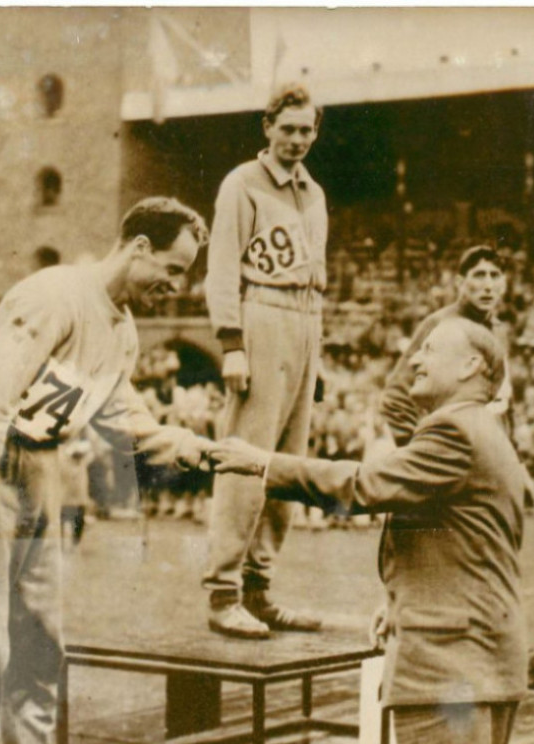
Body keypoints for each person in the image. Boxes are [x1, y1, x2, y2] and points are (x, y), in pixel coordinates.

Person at [212, 317, 528, 744]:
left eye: (430, 350)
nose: (413, 360)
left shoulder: (455, 432)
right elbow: (468, 544)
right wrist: (404, 598)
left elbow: (362, 484)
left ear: (477, 365)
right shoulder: (480, 432)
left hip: (452, 666)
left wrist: (260, 462)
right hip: (473, 655)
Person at [0, 196, 213, 744]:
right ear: (138, 246)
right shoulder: (55, 295)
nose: (175, 286)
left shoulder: (121, 331)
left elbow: (118, 415)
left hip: (42, 470)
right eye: (171, 269)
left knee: (41, 641)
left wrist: (182, 440)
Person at [202, 83, 328, 638]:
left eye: (307, 130)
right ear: (268, 128)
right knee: (245, 459)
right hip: (261, 316)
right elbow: (223, 266)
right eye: (289, 129)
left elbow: (314, 275)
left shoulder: (314, 192)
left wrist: (315, 357)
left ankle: (260, 589)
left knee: (289, 465)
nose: (298, 140)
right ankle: (223, 591)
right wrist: (231, 343)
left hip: (306, 321)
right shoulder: (242, 184)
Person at [382, 245, 511, 447]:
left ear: (504, 283)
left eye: (495, 276)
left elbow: (502, 398)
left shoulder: (498, 330)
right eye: (479, 275)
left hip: (487, 448)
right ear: (460, 282)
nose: (488, 285)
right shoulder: (440, 324)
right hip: (449, 448)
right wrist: (418, 452)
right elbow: (396, 398)